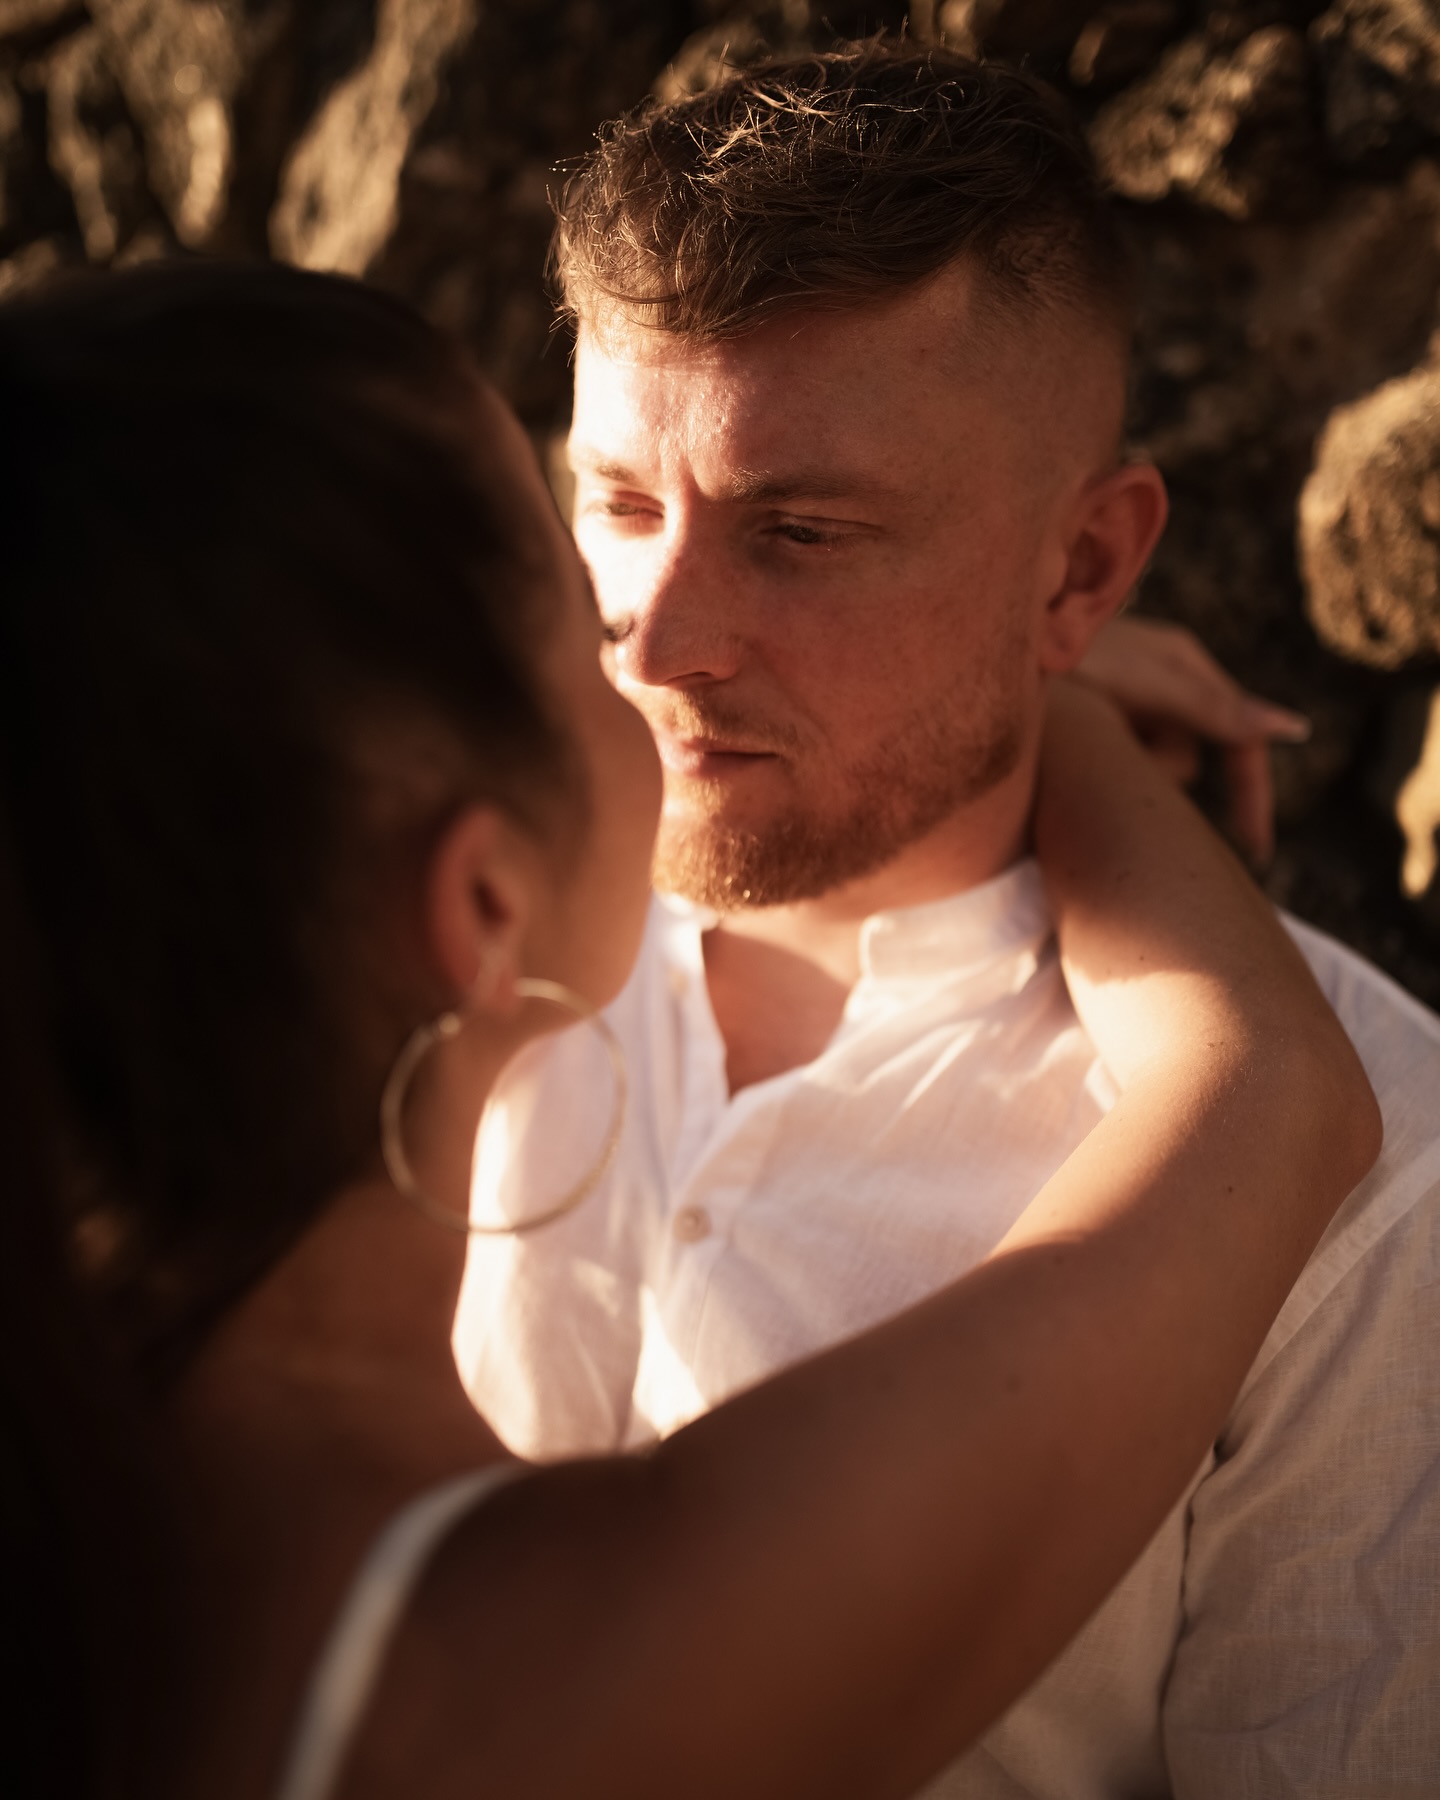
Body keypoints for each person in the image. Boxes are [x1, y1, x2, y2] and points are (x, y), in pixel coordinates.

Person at [0, 261, 1380, 1800]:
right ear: (480, 902)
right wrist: (1035, 691)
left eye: (796, 536)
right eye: (569, 572)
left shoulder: (88, 1495)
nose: (649, 652)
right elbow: (1273, 1102)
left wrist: (981, 644)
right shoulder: (559, 1672)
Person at [454, 41, 1440, 1799]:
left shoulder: (1378, 1171)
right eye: (619, 502)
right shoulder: (420, 913)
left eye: (803, 532)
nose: (656, 639)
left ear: (1081, 572)